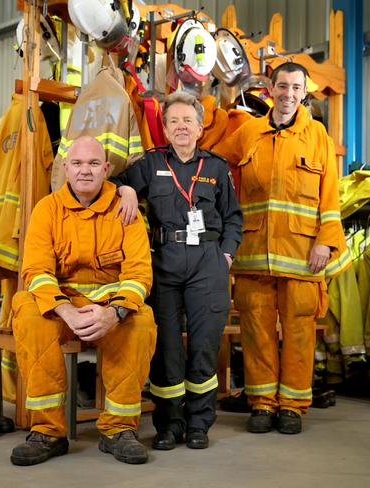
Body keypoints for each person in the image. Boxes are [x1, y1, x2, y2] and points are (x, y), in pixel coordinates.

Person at [217, 62, 351, 434]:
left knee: (298, 332)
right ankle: (261, 403)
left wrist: (325, 241)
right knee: (256, 330)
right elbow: (213, 164)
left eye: (295, 88)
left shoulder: (318, 136)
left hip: (303, 255)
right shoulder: (247, 133)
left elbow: (330, 197)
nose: (288, 94)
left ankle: (292, 406)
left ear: (303, 92)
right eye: (282, 86)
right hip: (254, 251)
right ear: (270, 90)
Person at [10, 136, 157, 466]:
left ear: (106, 169)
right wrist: (66, 311)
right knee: (28, 311)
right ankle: (48, 431)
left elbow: (139, 273)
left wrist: (115, 313)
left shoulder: (126, 208)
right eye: (77, 163)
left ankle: (118, 429)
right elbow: (35, 270)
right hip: (61, 303)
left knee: (141, 320)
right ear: (65, 169)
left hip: (109, 302)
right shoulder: (47, 209)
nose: (85, 171)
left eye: (93, 164)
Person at [113, 91, 242, 450]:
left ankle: (199, 424)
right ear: (165, 129)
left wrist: (226, 256)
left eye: (188, 120)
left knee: (203, 347)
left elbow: (233, 218)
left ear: (200, 128)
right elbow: (112, 185)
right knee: (166, 348)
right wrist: (125, 189)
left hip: (207, 262)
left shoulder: (216, 167)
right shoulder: (151, 164)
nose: (181, 127)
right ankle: (170, 425)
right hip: (164, 262)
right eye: (173, 121)